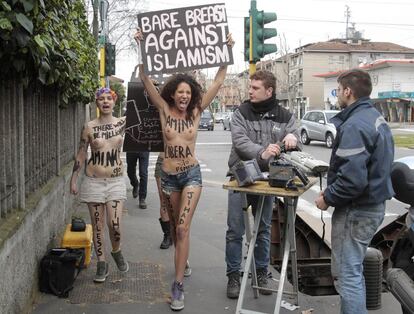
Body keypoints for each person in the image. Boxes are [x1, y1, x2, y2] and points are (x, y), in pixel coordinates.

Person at [135, 29, 234, 311]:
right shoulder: (163, 109)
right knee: (176, 226)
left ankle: (177, 286)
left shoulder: (197, 111)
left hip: (191, 175)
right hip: (168, 177)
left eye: (188, 93)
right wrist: (141, 46)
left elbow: (218, 80)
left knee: (181, 228)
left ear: (192, 96)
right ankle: (183, 258)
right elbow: (144, 78)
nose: (184, 96)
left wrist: (225, 53)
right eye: (180, 92)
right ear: (173, 94)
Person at [314, 69, 394, 314]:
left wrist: (327, 197)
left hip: (356, 210)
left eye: (338, 89)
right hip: (371, 206)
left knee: (347, 276)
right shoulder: (374, 118)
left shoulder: (355, 125)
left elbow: (352, 181)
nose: (337, 94)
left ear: (348, 91)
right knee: (354, 272)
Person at [225, 70, 300, 299]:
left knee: (264, 229)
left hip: (268, 182)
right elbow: (240, 142)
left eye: (255, 88)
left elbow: (295, 134)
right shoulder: (241, 112)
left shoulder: (284, 115)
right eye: (250, 87)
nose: (250, 91)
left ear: (269, 91)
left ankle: (261, 272)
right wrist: (263, 152)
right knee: (235, 230)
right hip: (240, 177)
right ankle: (233, 275)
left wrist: (293, 139)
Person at [70, 87, 129, 283]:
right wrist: (74, 178)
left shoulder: (122, 123)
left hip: (115, 181)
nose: (105, 101)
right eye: (101, 99)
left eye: (109, 98)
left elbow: (146, 121)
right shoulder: (89, 127)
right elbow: (81, 153)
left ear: (114, 102)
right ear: (96, 103)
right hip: (93, 182)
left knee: (115, 224)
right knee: (97, 226)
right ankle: (101, 263)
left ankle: (116, 250)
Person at [154, 152, 173, 249]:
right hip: (163, 160)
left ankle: (177, 232)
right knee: (163, 200)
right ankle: (167, 235)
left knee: (178, 203)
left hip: (182, 163)